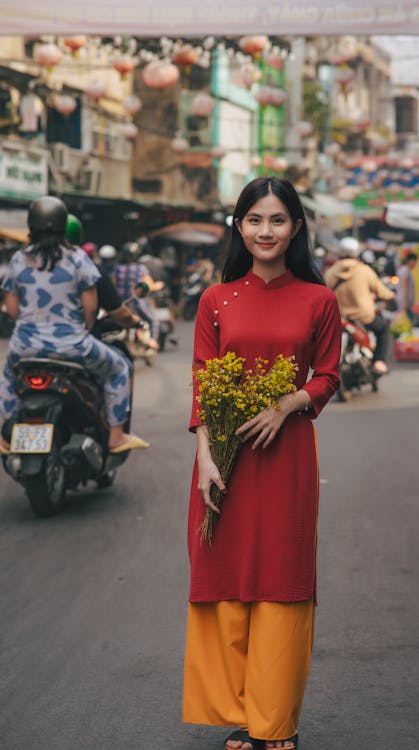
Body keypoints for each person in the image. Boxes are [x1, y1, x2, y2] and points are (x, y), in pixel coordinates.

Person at [183, 177, 342, 750]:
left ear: (296, 228)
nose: (265, 231)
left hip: (287, 457)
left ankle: (276, 722)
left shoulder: (319, 300)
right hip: (225, 456)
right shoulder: (215, 299)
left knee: (280, 580)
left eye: (277, 220)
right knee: (227, 579)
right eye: (254, 220)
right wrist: (204, 457)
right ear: (239, 227)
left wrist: (288, 403)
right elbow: (203, 380)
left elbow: (327, 375)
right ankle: (240, 713)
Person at [0, 196, 148, 454]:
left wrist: (30, 327)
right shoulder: (78, 259)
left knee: (7, 377)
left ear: (30, 227)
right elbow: (90, 307)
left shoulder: (18, 259)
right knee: (119, 368)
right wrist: (83, 329)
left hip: (24, 347)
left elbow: (11, 309)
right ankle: (115, 437)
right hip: (73, 347)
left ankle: (6, 434)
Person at [324, 236, 395, 375]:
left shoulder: (330, 272)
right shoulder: (364, 270)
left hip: (338, 317)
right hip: (363, 316)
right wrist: (392, 298)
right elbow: (381, 290)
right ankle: (379, 362)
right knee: (384, 329)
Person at [396, 252, 418, 321]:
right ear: (410, 261)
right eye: (415, 262)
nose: (415, 264)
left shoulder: (405, 270)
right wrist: (405, 304)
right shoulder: (405, 271)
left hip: (405, 302)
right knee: (405, 321)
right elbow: (405, 288)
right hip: (404, 302)